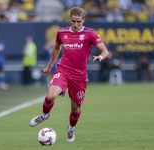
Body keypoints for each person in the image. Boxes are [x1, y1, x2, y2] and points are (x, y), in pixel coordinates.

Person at [29, 7, 109, 142]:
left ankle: (71, 129)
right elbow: (56, 48)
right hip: (63, 70)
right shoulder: (62, 32)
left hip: (79, 76)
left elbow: (104, 51)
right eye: (73, 21)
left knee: (76, 110)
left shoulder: (90, 34)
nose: (76, 25)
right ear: (70, 19)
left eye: (79, 22)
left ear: (83, 20)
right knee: (51, 95)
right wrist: (49, 67)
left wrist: (101, 57)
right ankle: (44, 115)